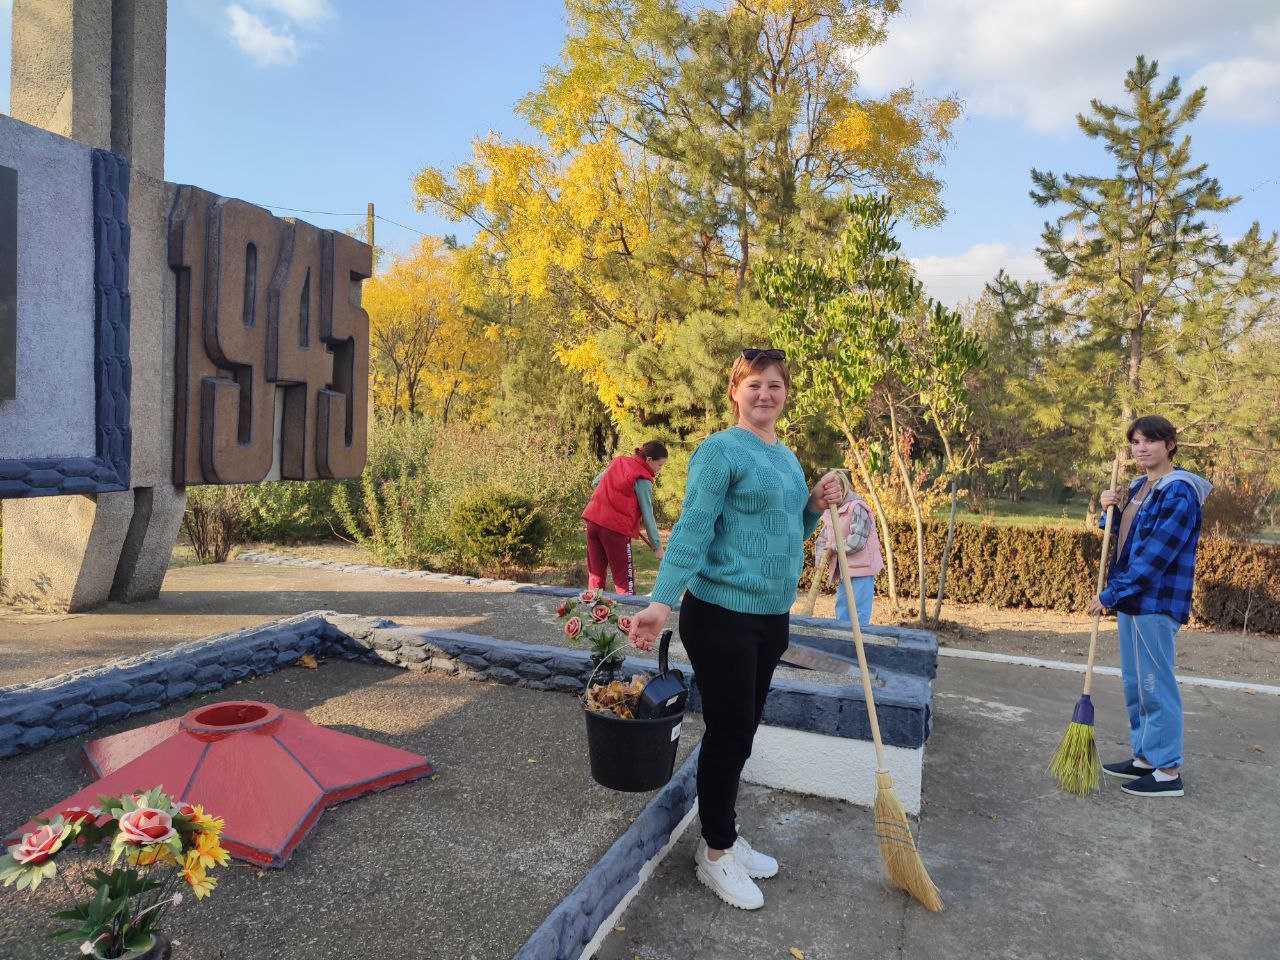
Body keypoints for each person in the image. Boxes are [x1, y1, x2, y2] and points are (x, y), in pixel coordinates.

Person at [627, 349, 843, 911]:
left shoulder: (787, 457)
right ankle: (716, 853)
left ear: (785, 393)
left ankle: (723, 830)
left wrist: (814, 506)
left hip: (771, 616)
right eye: (754, 385)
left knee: (742, 731)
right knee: (730, 731)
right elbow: (695, 528)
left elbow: (784, 529)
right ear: (735, 392)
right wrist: (661, 603)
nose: (765, 394)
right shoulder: (719, 451)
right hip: (722, 613)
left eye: (775, 385)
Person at [1090, 415, 1212, 799]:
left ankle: (1168, 770)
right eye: (1136, 442)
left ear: (1170, 444)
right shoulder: (1140, 485)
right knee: (1135, 683)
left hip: (1155, 602)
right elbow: (1125, 540)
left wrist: (1109, 594)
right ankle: (1146, 757)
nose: (1141, 448)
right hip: (1133, 600)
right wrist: (1106, 512)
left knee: (1154, 684)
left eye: (1150, 441)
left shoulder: (1179, 492)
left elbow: (1154, 558)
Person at [581, 440, 668, 595]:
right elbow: (648, 515)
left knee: (595, 576)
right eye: (660, 465)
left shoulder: (619, 461)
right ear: (649, 460)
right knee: (624, 580)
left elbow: (596, 482)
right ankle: (628, 616)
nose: (660, 470)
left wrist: (613, 499)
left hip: (593, 523)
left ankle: (595, 615)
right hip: (615, 530)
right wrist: (658, 547)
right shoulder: (643, 478)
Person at [813, 481, 883, 627]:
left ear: (843, 489)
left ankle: (858, 645)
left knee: (859, 612)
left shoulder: (857, 507)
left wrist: (833, 548)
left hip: (863, 568)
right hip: (847, 570)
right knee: (842, 608)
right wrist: (820, 559)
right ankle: (843, 642)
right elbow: (824, 538)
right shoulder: (832, 511)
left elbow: (857, 540)